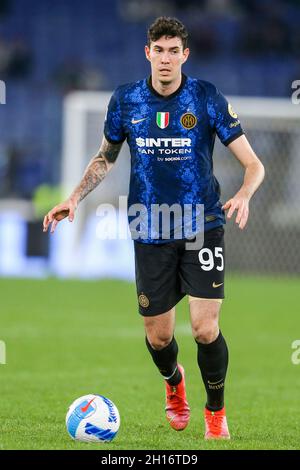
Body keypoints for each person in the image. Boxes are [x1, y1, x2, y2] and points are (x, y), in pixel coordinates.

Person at [43, 17, 265, 440]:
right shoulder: (126, 100)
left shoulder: (206, 98)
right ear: (148, 53)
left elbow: (254, 165)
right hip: (149, 226)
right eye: (158, 50)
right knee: (160, 337)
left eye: (173, 51)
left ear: (185, 55)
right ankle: (173, 383)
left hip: (203, 223)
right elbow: (106, 157)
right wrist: (73, 198)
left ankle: (215, 412)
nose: (165, 59)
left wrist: (246, 194)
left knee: (204, 328)